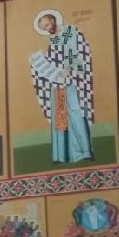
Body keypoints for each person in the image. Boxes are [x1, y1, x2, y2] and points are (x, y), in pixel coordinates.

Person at [29, 11, 94, 164]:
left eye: (47, 24)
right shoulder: (53, 40)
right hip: (57, 82)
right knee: (60, 117)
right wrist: (41, 60)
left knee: (77, 115)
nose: (47, 29)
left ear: (53, 19)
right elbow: (56, 60)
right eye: (44, 28)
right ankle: (61, 155)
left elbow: (77, 52)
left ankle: (85, 152)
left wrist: (69, 69)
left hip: (72, 81)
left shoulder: (69, 31)